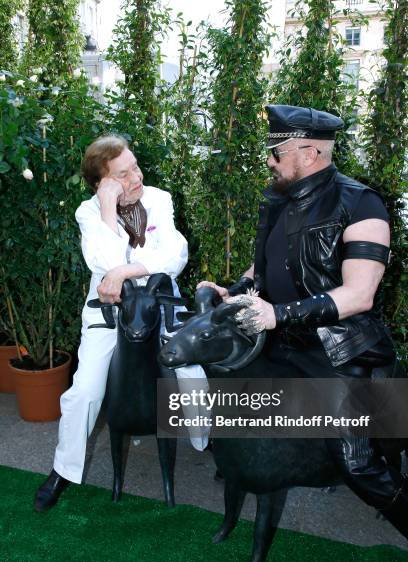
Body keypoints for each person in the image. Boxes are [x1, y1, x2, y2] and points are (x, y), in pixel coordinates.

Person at [200, 104, 408, 538]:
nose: (269, 161)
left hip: (337, 351)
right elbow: (265, 268)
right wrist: (233, 292)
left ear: (310, 152)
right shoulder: (277, 199)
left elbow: (360, 294)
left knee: (358, 463)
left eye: (277, 153)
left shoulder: (362, 205)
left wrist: (277, 314)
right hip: (283, 345)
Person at [35, 134, 209, 512]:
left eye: (135, 166)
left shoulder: (159, 199)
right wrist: (108, 209)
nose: (137, 176)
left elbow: (174, 255)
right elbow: (102, 262)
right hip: (109, 311)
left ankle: (204, 440)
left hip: (160, 302)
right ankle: (63, 470)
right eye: (123, 174)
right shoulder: (88, 212)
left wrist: (126, 271)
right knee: (85, 390)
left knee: (191, 369)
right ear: (103, 182)